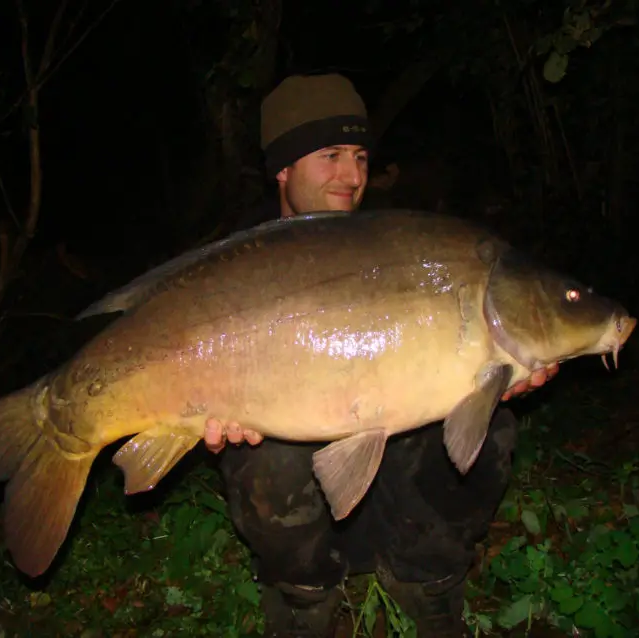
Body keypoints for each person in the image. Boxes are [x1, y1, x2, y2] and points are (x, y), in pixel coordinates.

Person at [200, 73, 559, 637]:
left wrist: (495, 374)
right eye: (332, 155)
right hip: (294, 455)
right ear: (283, 168)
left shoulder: (394, 239)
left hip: (388, 463)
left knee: (490, 430)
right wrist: (204, 414)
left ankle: (424, 578)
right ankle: (304, 598)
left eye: (362, 156)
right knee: (267, 461)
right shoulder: (240, 256)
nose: (354, 176)